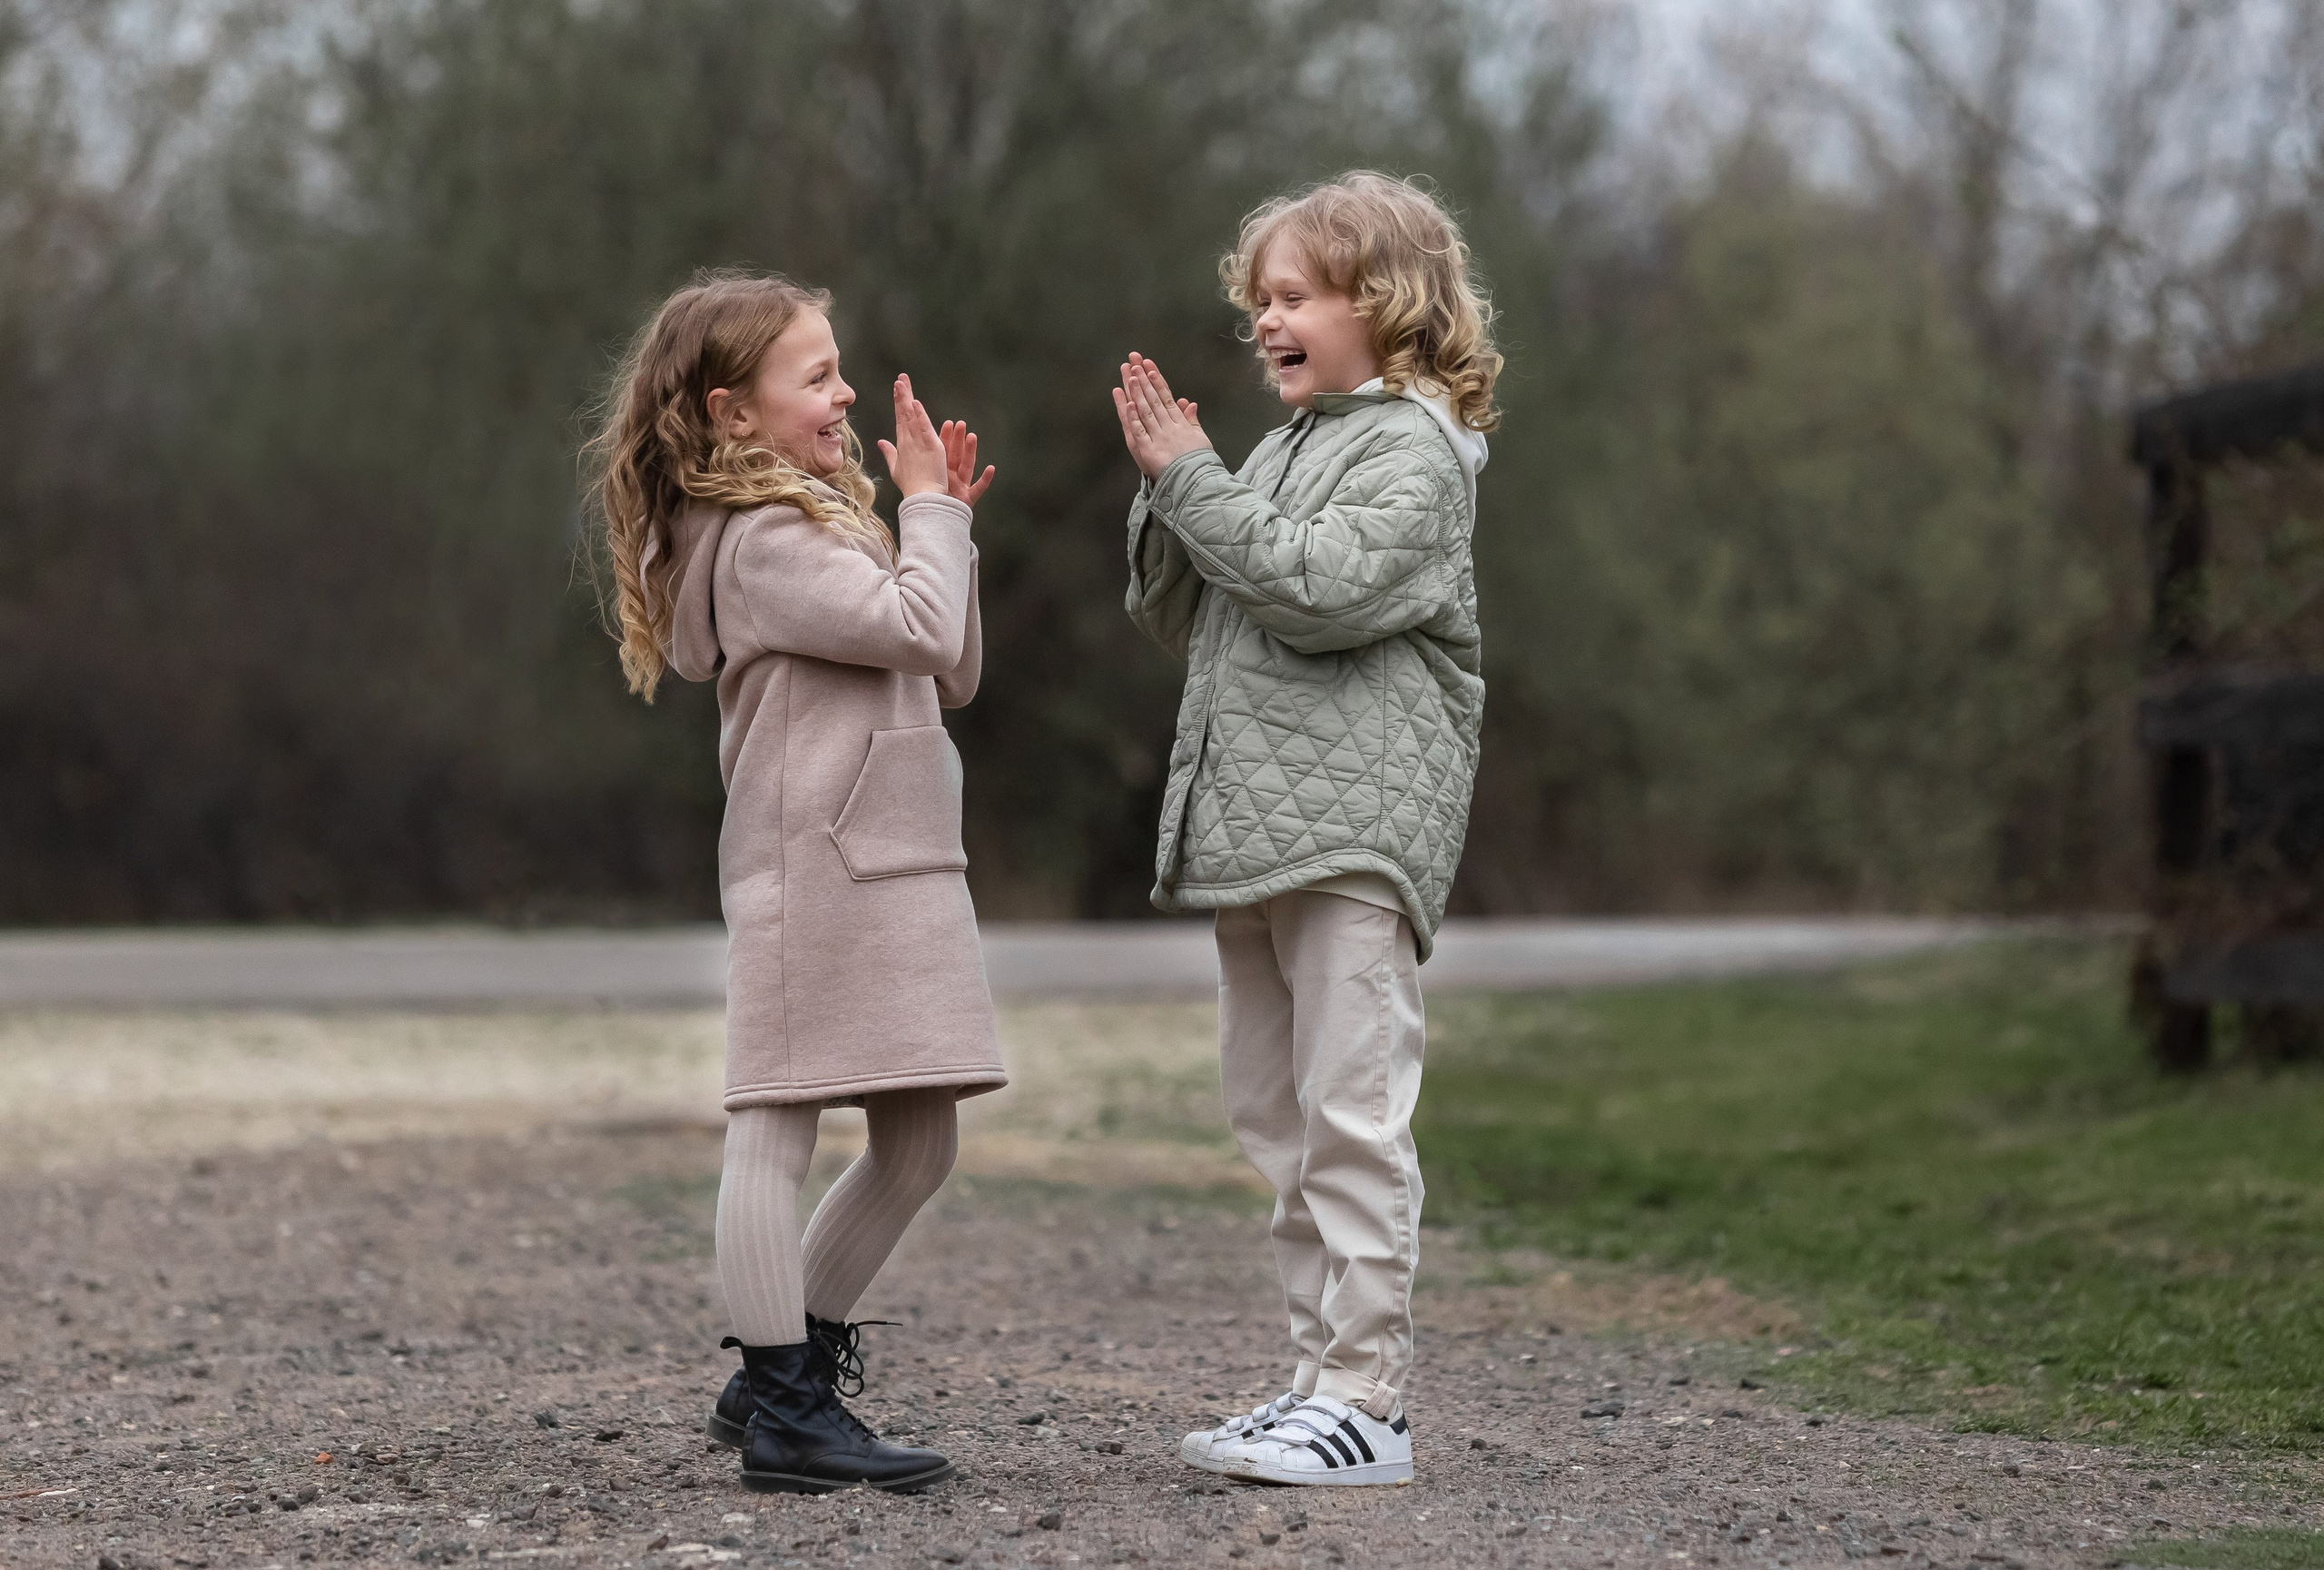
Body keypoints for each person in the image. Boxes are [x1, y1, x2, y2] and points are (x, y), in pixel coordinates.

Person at [586, 269, 1003, 1496]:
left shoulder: (820, 514)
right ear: (730, 412)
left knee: (919, 1142)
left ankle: (788, 1367)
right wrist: (925, 517)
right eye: (815, 374)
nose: (845, 390)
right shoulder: (763, 538)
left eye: (839, 364)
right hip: (814, 863)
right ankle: (783, 1408)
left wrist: (942, 520)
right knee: (775, 1124)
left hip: (895, 858)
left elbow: (950, 662)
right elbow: (927, 632)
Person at [1114, 172, 1498, 1487]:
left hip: (1352, 837)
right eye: (1258, 300)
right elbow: (1195, 613)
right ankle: (1310, 1381)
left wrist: (1198, 482)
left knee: (1349, 1117)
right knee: (1275, 1122)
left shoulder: (1416, 450)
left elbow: (1318, 591)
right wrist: (1174, 487)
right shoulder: (1290, 442)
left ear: (1381, 305)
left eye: (1294, 296)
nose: (1267, 319)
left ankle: (1370, 1397)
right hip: (1261, 835)